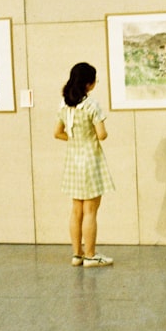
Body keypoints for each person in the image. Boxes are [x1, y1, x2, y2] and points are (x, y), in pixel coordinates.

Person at [54, 62, 115, 268]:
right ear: (89, 83)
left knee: (76, 210)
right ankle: (90, 255)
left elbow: (57, 133)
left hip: (72, 160)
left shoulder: (64, 104)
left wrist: (74, 139)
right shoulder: (91, 104)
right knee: (91, 210)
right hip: (90, 160)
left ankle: (77, 254)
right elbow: (102, 134)